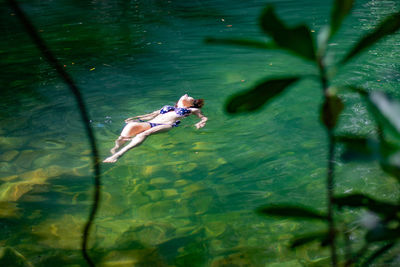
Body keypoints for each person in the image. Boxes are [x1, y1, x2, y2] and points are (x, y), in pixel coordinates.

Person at [103, 94, 208, 163]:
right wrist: (137, 118)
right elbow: (150, 115)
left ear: (191, 103)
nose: (186, 95)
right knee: (130, 127)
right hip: (151, 123)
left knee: (142, 134)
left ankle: (118, 155)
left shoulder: (192, 109)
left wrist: (201, 122)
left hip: (167, 125)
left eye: (190, 97)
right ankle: (116, 148)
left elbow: (204, 117)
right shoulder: (167, 107)